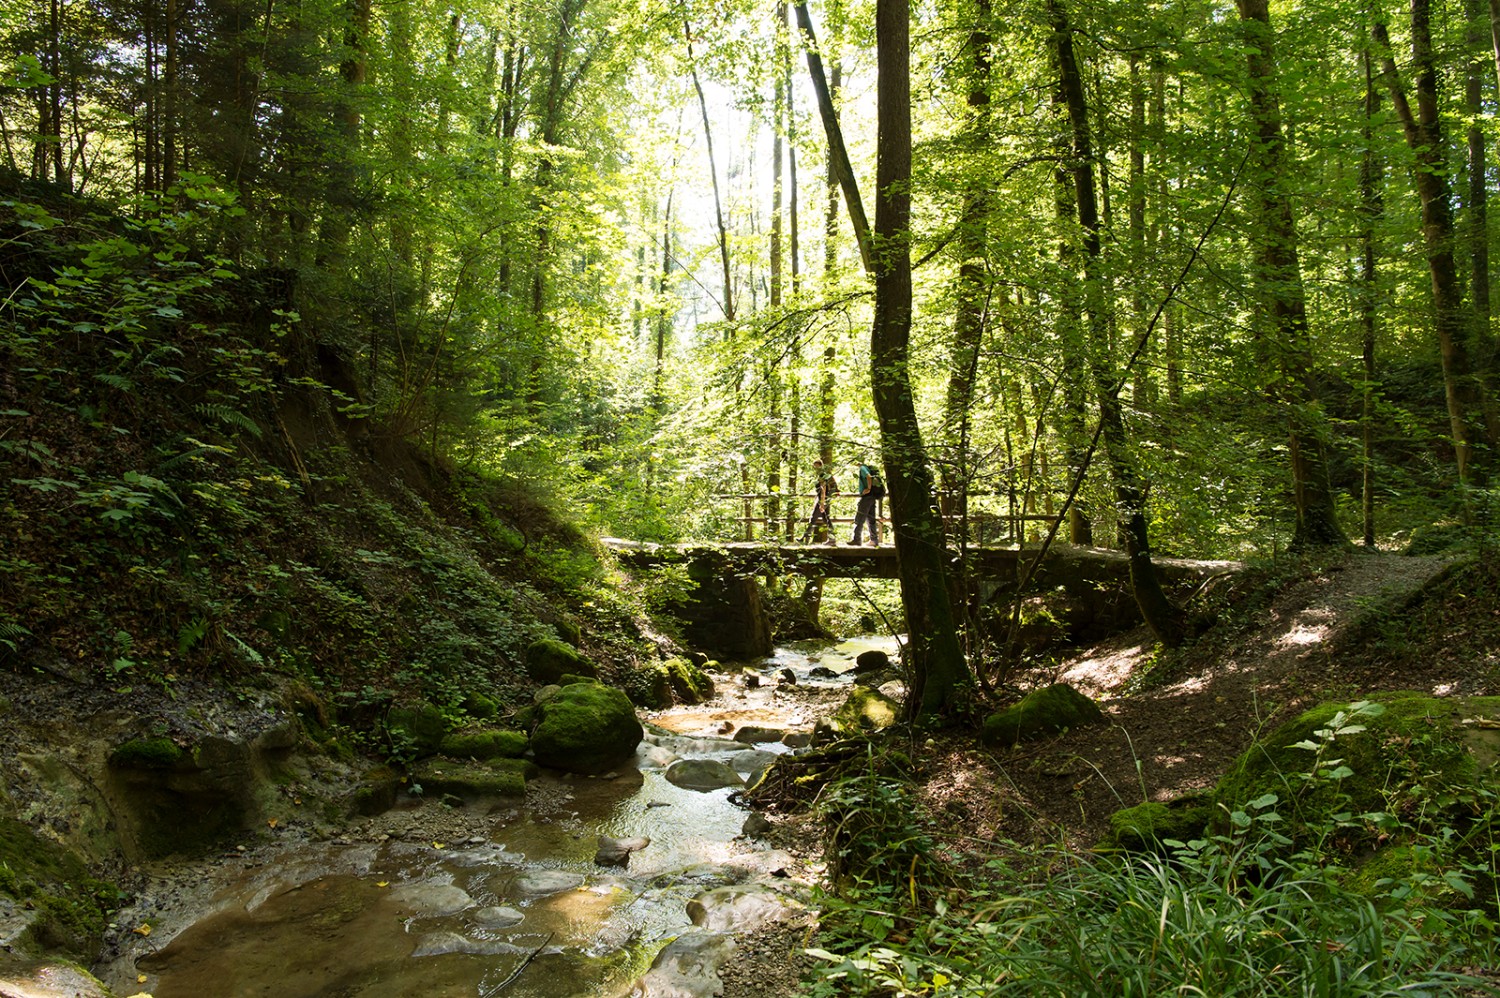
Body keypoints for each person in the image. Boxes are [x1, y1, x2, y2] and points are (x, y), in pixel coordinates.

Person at [800, 459, 839, 543]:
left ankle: (805, 538)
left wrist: (822, 502)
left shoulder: (822, 475)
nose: (815, 468)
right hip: (824, 498)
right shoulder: (823, 474)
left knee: (815, 518)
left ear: (820, 465)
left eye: (816, 466)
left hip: (824, 499)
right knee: (825, 518)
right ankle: (832, 539)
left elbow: (823, 488)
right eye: (814, 466)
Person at [849, 461, 885, 546]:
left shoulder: (862, 468)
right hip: (872, 497)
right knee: (871, 519)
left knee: (859, 518)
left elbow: (868, 476)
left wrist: (868, 488)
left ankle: (857, 539)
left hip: (867, 497)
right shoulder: (868, 468)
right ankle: (874, 540)